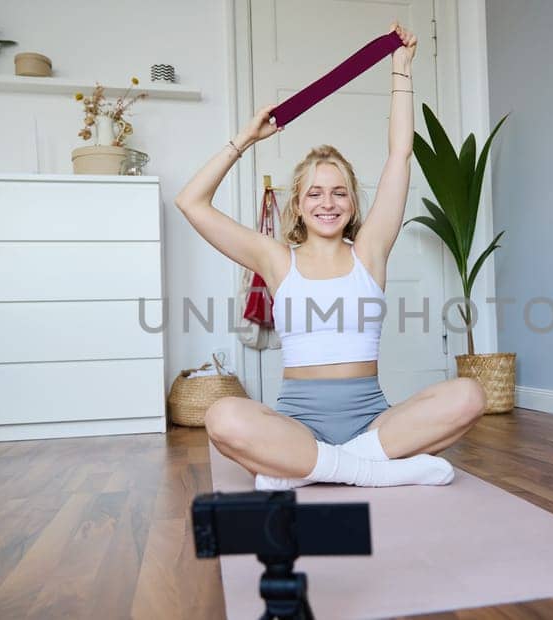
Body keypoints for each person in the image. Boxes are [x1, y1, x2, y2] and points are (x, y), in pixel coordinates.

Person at [173, 22, 486, 490]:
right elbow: (190, 202)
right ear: (297, 204)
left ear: (354, 203)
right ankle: (368, 472)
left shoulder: (370, 251)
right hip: (298, 427)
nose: (328, 202)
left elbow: (400, 155)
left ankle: (314, 468)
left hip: (373, 424)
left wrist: (401, 69)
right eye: (315, 193)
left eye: (339, 192)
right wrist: (244, 139)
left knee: (469, 395)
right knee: (222, 416)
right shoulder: (277, 259)